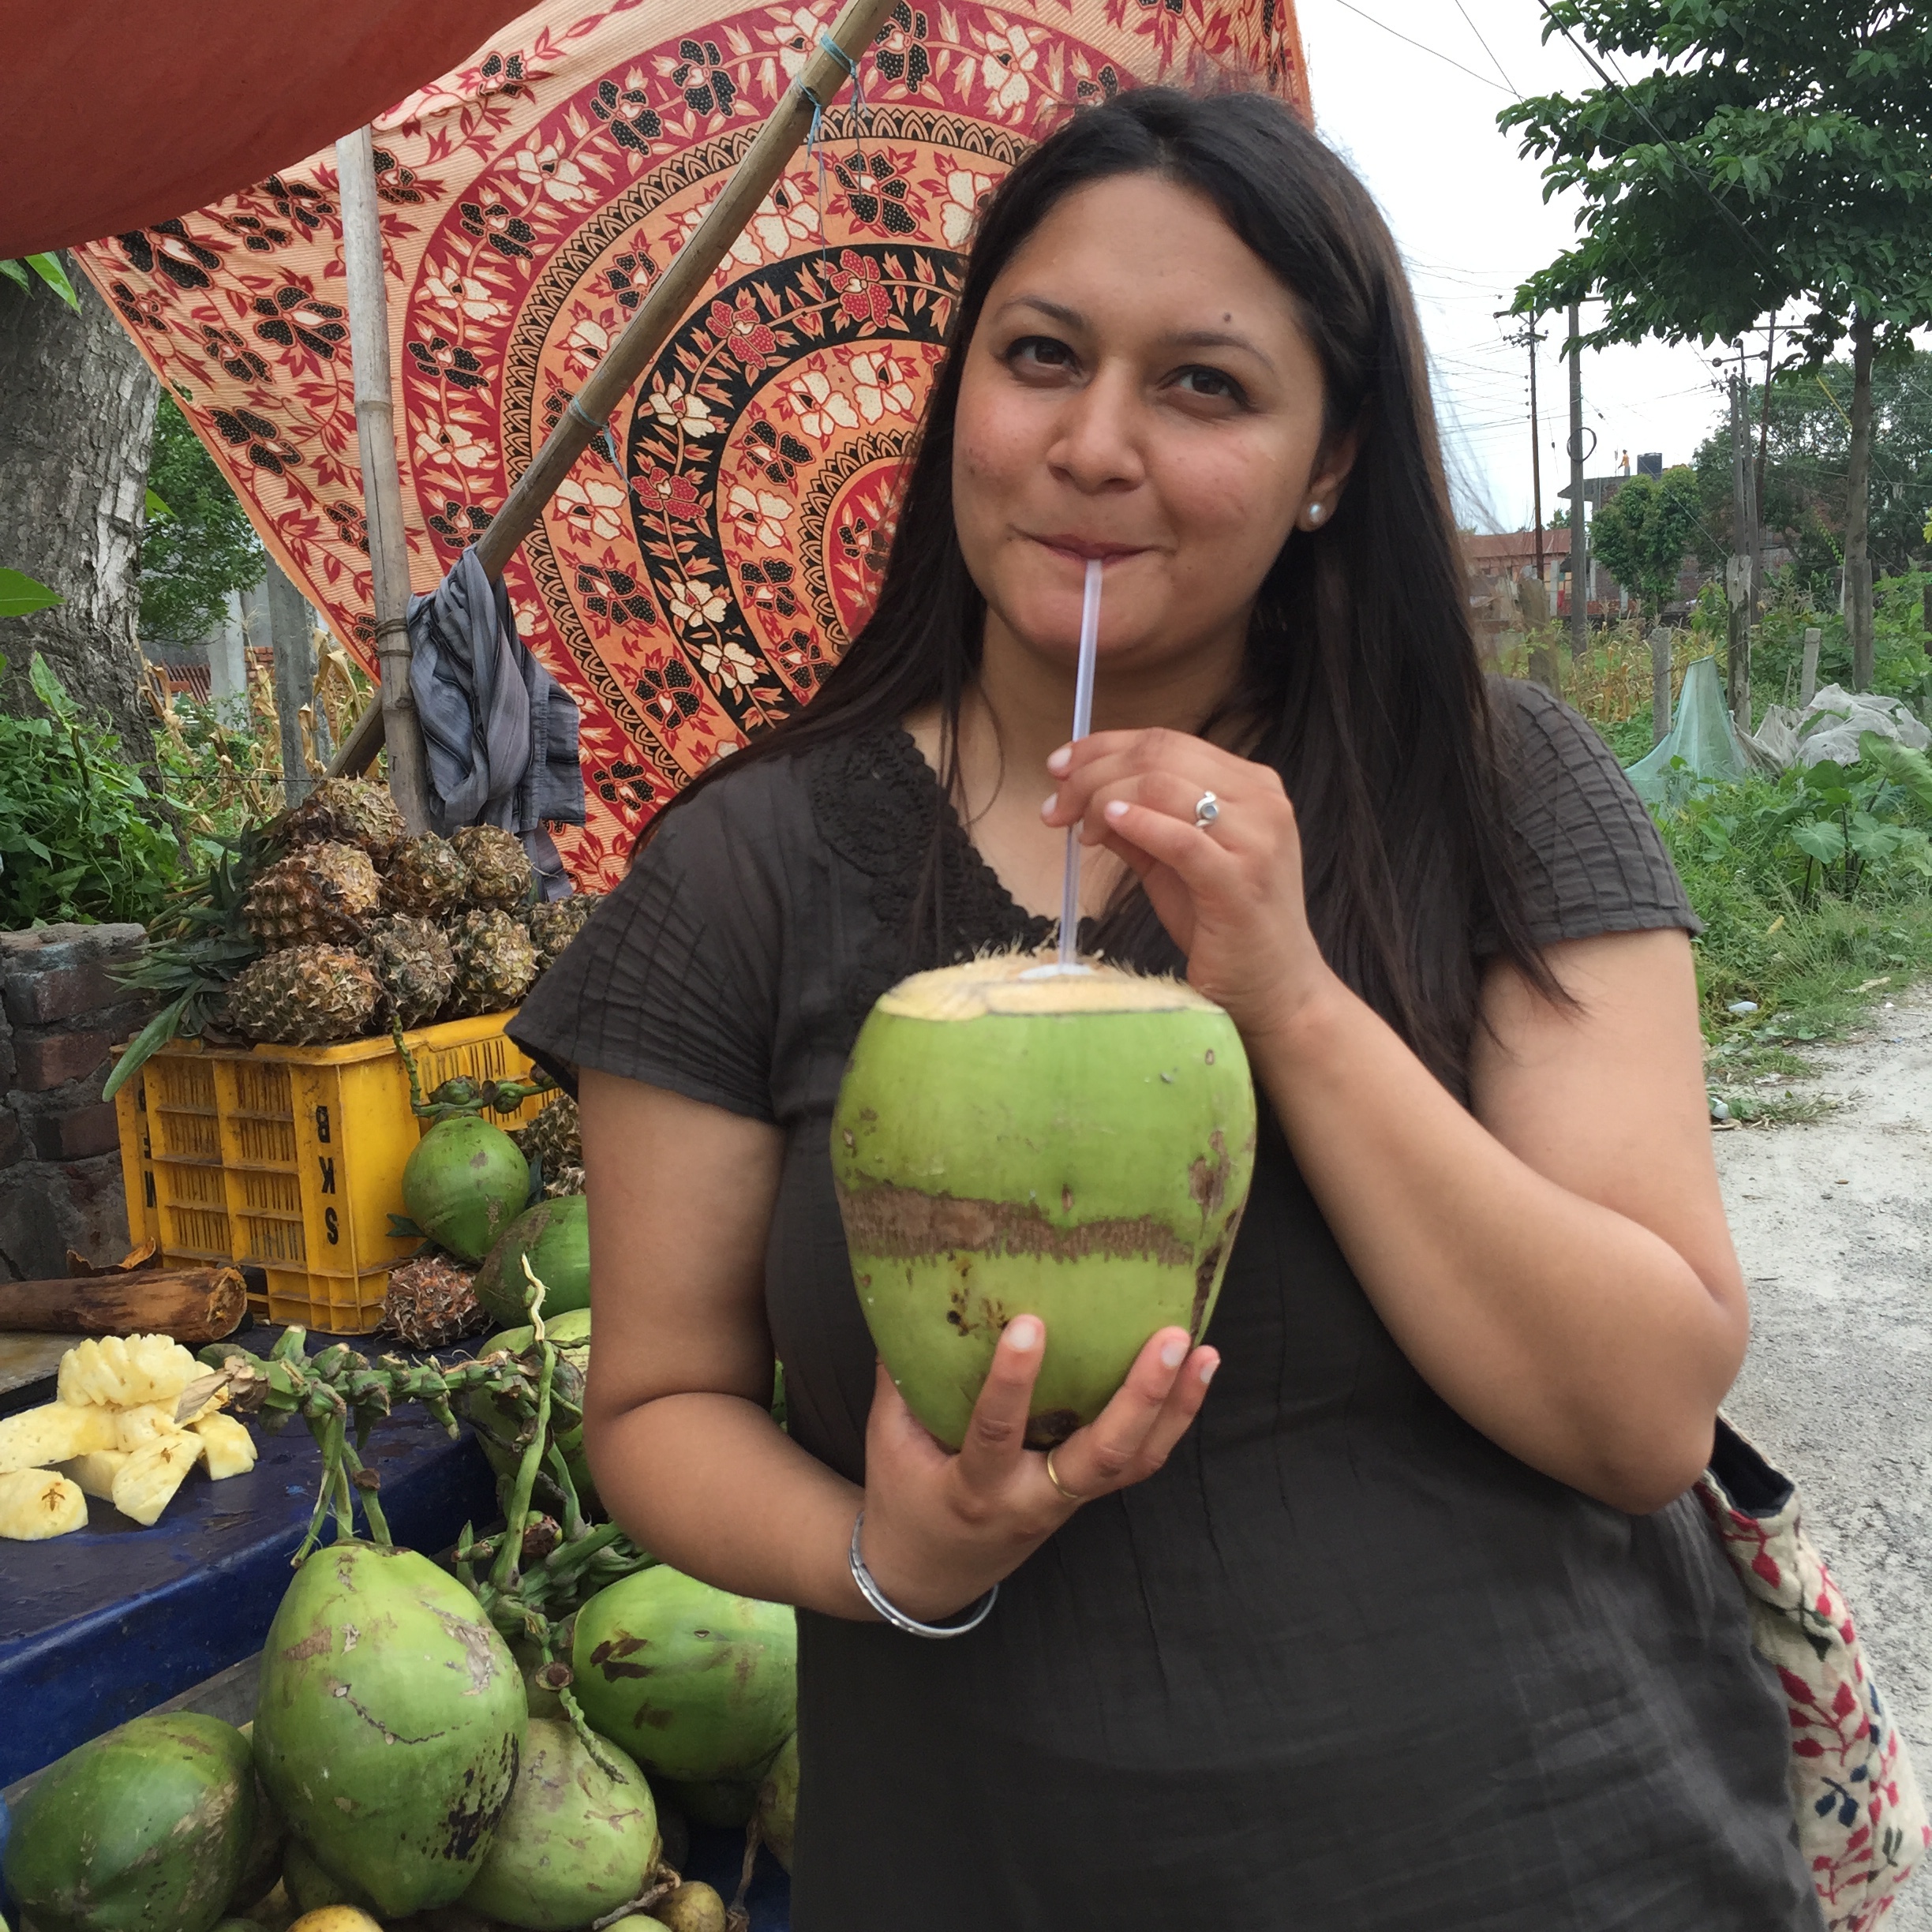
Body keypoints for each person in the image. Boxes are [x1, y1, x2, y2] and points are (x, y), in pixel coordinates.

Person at [511, 87, 1818, 1931]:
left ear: (1333, 459)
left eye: (1205, 385)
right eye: (1041, 356)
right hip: (998, 1873)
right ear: (961, 388)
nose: (1095, 446)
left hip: (1555, 1855)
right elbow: (655, 1398)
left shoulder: (1491, 791)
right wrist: (885, 1551)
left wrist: (1286, 995)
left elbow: (1646, 1414)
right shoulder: (748, 867)